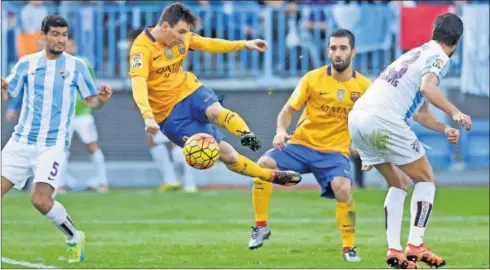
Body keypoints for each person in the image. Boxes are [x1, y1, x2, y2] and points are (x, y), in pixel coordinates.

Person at [129, 3, 301, 186]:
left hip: (188, 90)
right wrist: (148, 117)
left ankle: (246, 134)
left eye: (186, 32)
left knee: (215, 111)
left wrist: (244, 44)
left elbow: (208, 43)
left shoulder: (182, 37)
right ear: (164, 26)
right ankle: (270, 176)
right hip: (169, 115)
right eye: (180, 32)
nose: (183, 37)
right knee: (229, 156)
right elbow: (138, 83)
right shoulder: (141, 49)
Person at [348, 13, 469, 269]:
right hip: (384, 120)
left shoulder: (416, 53)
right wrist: (455, 112)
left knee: (398, 182)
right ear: (457, 41)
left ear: (434, 31)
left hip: (359, 118)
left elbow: (420, 111)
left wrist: (444, 128)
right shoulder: (438, 57)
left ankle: (394, 250)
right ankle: (415, 245)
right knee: (425, 179)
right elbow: (427, 88)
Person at [248, 29, 371, 262]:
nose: (337, 53)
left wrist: (368, 151)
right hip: (301, 145)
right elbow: (287, 111)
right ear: (328, 51)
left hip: (334, 153)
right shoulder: (312, 79)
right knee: (263, 165)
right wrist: (281, 131)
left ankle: (349, 247)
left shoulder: (365, 88)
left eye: (343, 48)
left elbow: (369, 123)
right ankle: (261, 226)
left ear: (353, 52)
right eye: (333, 48)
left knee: (343, 189)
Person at [1, 15, 113, 263]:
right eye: (55, 34)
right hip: (20, 141)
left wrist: (101, 100)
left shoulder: (77, 66)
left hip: (52, 145)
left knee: (40, 200)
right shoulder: (26, 63)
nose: (61, 39)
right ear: (43, 36)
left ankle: (74, 236)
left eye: (64, 35)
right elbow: (9, 90)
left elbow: (91, 100)